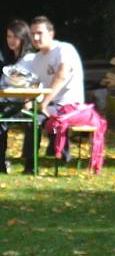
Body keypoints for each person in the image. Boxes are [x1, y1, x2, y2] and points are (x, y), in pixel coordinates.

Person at [21, 16, 85, 173]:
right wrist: (28, 103)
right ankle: (30, 165)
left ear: (51, 33)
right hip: (49, 106)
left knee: (43, 116)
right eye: (32, 34)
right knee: (31, 119)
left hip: (70, 106)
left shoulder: (64, 50)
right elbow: (32, 84)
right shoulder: (36, 59)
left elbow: (62, 75)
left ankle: (60, 151)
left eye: (39, 33)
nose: (35, 38)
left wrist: (43, 103)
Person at [0, 20, 37, 173]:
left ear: (23, 38)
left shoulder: (31, 59)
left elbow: (35, 82)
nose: (11, 41)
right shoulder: (6, 59)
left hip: (22, 103)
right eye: (9, 37)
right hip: (5, 101)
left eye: (15, 37)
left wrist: (28, 99)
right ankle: (2, 162)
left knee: (32, 123)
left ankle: (29, 164)